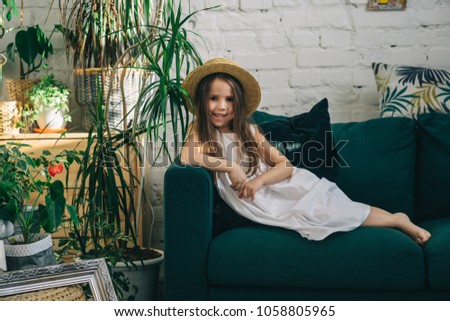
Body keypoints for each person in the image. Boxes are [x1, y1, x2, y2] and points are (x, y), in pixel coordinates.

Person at [180, 57, 431, 246]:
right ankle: (396, 218)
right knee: (327, 215)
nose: (221, 107)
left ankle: (397, 219)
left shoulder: (248, 131)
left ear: (239, 103)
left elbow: (285, 166)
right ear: (203, 101)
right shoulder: (200, 129)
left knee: (337, 210)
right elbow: (186, 156)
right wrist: (230, 166)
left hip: (283, 188)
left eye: (229, 100)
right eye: (214, 98)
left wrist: (258, 181)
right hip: (262, 203)